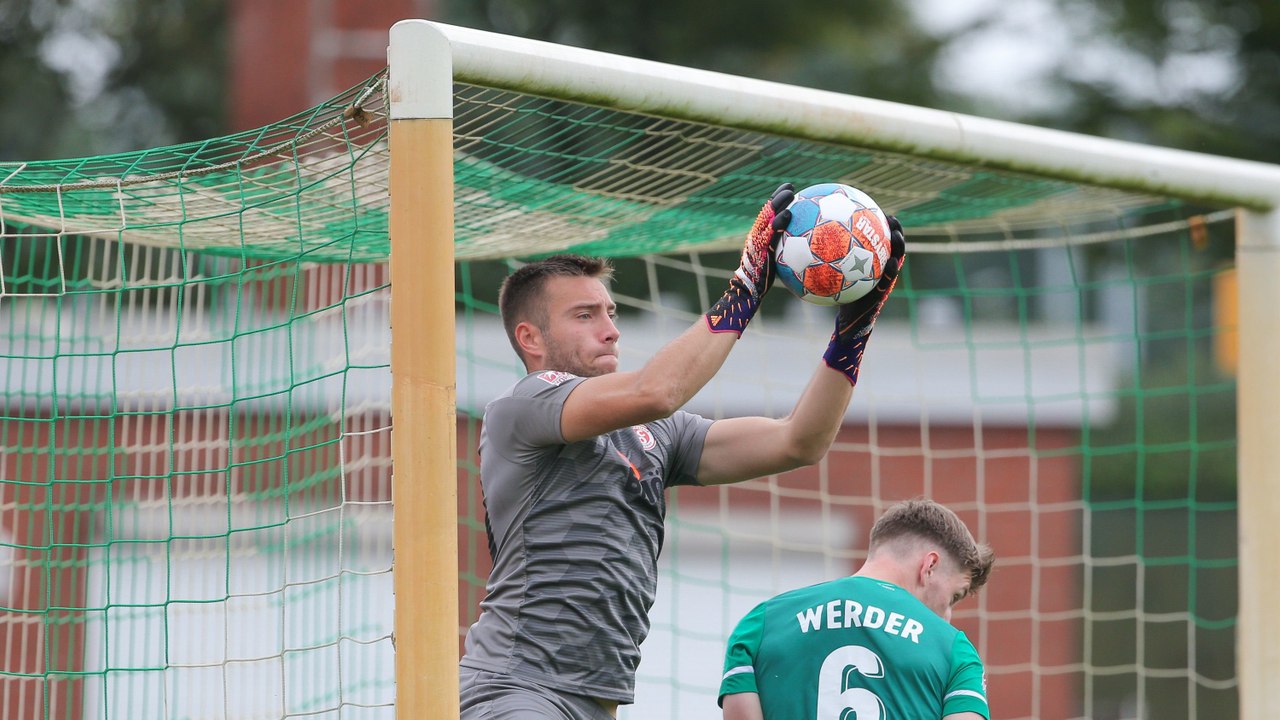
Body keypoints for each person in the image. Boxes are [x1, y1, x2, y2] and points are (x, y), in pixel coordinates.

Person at [458, 183, 908, 720]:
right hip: (516, 688)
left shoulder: (657, 432)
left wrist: (854, 329)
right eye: (585, 316)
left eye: (611, 311)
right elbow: (657, 390)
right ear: (530, 338)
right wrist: (745, 286)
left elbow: (799, 441)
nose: (610, 330)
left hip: (595, 703)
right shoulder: (523, 406)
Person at [718, 498, 996, 720]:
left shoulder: (760, 624)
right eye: (954, 597)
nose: (947, 615)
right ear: (929, 566)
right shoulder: (953, 649)